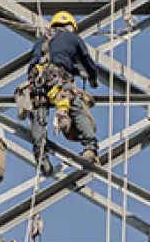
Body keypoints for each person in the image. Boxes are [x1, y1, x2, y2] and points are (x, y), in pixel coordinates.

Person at [17, 11, 102, 171]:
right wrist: (93, 78)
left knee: (38, 117)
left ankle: (41, 156)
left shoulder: (41, 41)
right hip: (59, 81)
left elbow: (49, 59)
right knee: (77, 108)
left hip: (37, 83)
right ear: (70, 26)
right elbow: (86, 60)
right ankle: (90, 148)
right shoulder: (72, 38)